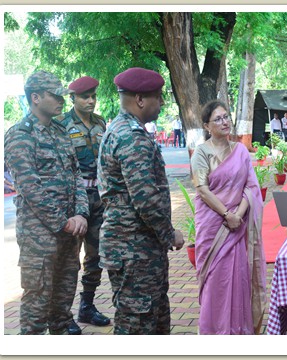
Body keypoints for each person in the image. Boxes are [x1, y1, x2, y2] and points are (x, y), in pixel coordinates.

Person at [97, 67, 184, 335]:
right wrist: (170, 234)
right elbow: (145, 200)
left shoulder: (124, 129)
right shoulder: (132, 137)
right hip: (133, 249)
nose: (161, 103)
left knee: (153, 317)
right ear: (140, 99)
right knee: (137, 325)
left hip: (137, 247)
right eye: (159, 97)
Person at [4, 70, 89, 335]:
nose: (61, 100)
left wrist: (81, 214)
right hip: (40, 237)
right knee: (36, 311)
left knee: (62, 308)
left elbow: (76, 175)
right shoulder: (19, 135)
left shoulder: (61, 132)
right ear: (36, 97)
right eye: (55, 95)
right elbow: (30, 188)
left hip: (70, 234)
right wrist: (62, 222)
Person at [190, 100, 267, 334]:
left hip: (237, 224)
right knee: (216, 281)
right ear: (206, 126)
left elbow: (251, 187)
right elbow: (202, 189)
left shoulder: (240, 151)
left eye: (226, 117)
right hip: (213, 226)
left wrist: (238, 215)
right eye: (218, 119)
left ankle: (238, 332)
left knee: (238, 279)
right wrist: (226, 215)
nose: (225, 122)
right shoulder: (201, 153)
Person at [60, 76, 110, 334]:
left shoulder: (101, 123)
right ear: (73, 99)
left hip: (98, 200)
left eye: (93, 96)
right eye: (84, 97)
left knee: (96, 255)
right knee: (70, 259)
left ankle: (87, 307)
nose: (90, 101)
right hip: (73, 202)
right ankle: (63, 314)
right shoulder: (61, 125)